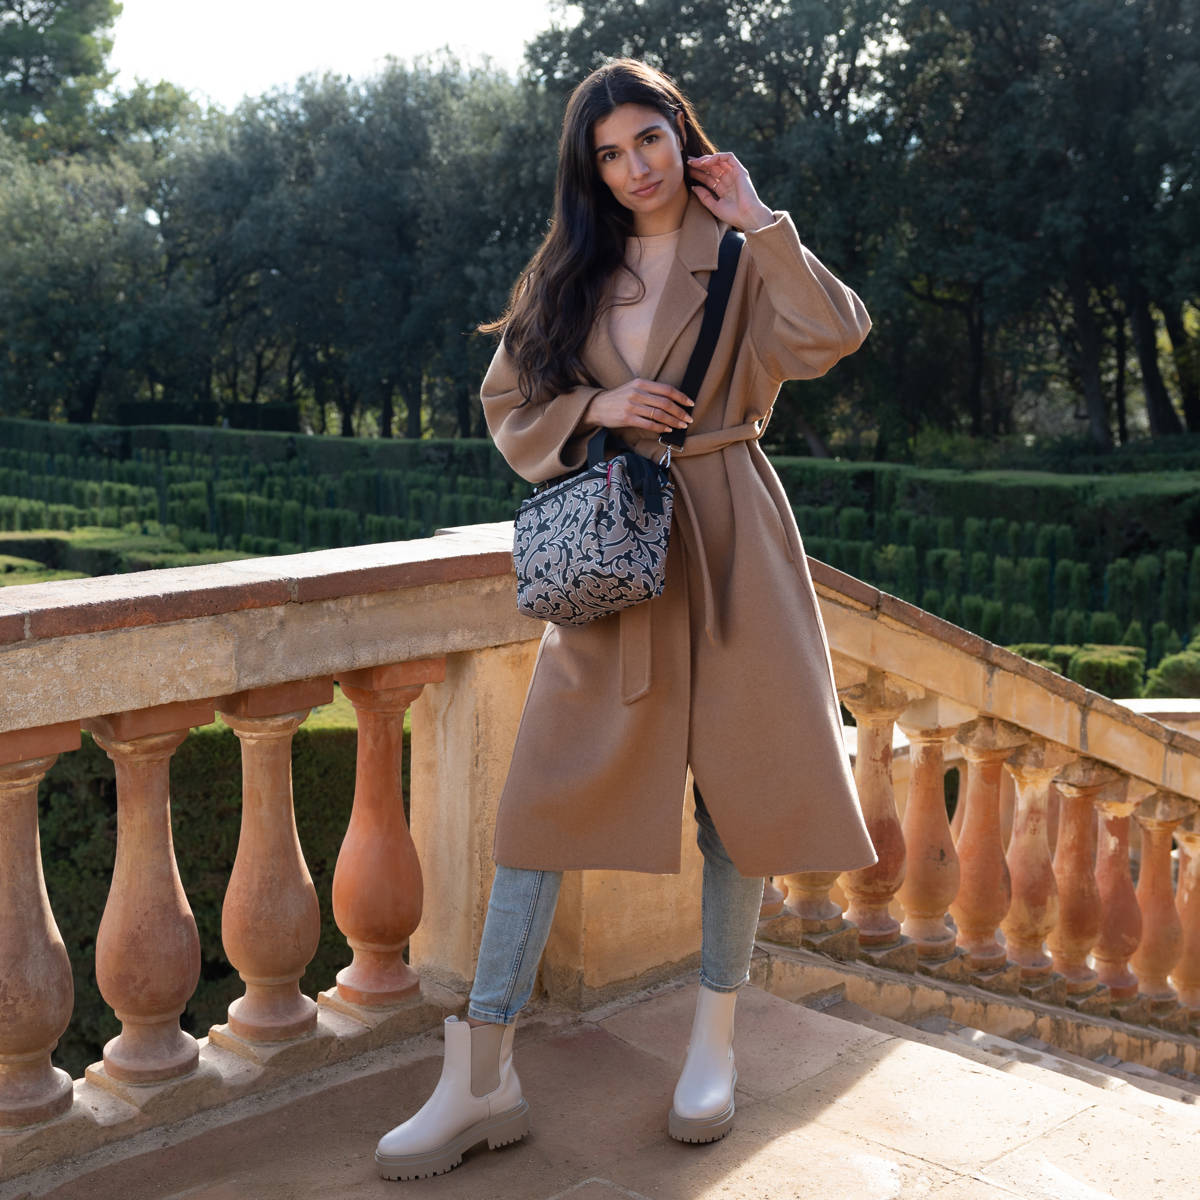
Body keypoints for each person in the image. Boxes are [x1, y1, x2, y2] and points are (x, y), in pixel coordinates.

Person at [375, 57, 877, 1182]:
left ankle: (714, 1045)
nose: (634, 167)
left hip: (735, 545)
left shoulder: (740, 253)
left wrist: (761, 219)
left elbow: (832, 335)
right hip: (620, 554)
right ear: (590, 169)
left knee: (739, 807)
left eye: (649, 138)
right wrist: (598, 404)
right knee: (541, 807)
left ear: (681, 136)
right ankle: (481, 1074)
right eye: (609, 153)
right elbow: (508, 404)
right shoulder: (570, 269)